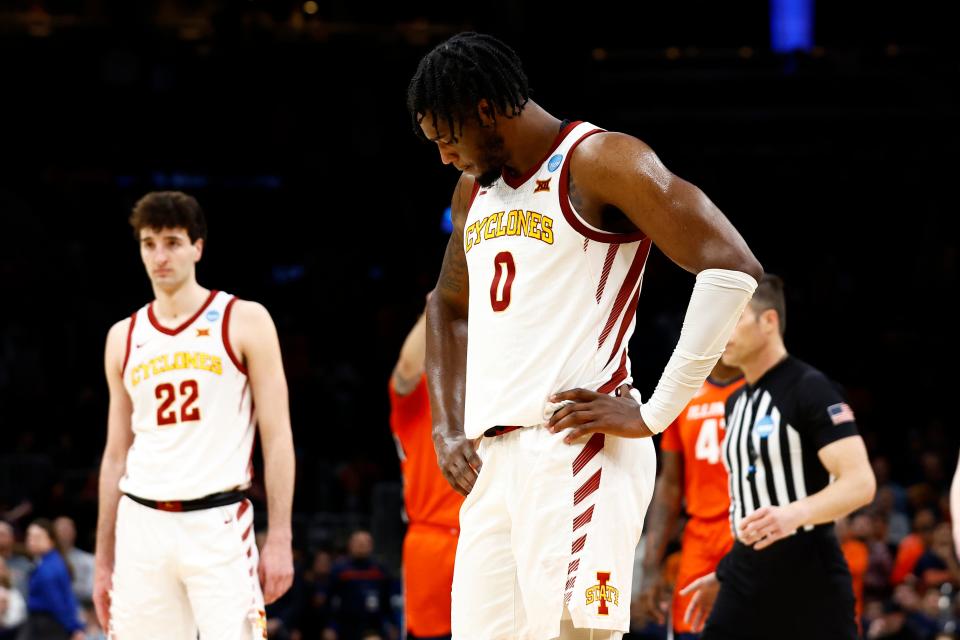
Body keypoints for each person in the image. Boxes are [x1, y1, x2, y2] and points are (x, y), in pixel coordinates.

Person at [407, 32, 762, 640]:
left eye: (447, 138)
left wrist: (656, 413)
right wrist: (445, 426)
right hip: (496, 459)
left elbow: (732, 267)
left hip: (577, 450)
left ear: (485, 111)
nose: (444, 157)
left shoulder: (601, 161)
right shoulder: (474, 192)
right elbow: (447, 306)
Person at [93, 191, 296, 639]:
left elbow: (278, 437)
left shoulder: (244, 319)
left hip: (218, 523)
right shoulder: (122, 337)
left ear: (197, 246)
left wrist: (279, 537)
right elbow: (114, 456)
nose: (160, 256)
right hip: (142, 525)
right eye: (149, 244)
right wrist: (103, 558)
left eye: (172, 242)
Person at [681, 275, 876, 640]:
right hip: (744, 574)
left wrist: (792, 514)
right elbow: (748, 503)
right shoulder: (736, 403)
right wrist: (726, 572)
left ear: (768, 321)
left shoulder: (809, 388)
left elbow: (860, 483)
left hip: (809, 575)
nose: (722, 332)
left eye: (734, 319)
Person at [637, 361, 745, 638]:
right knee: (688, 631)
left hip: (752, 535)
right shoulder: (684, 393)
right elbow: (670, 484)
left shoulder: (766, 390)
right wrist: (650, 568)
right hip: (700, 540)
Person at [389, 305, 463, 640]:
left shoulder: (493, 388)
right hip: (432, 543)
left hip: (489, 534)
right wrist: (436, 305)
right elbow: (405, 370)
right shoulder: (419, 397)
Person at [325, 530, 395, 640]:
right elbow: (329, 601)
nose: (361, 546)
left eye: (364, 543)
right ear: (350, 545)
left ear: (371, 545)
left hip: (373, 625)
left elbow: (387, 600)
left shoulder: (380, 569)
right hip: (346, 625)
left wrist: (391, 623)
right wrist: (330, 626)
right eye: (358, 542)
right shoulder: (339, 569)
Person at [23, 519, 84, 640]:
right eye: (29, 536)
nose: (31, 541)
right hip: (44, 623)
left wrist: (74, 627)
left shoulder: (50, 566)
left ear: (51, 540)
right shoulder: (46, 562)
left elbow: (58, 601)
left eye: (37, 537)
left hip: (49, 626)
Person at [51, 518, 93, 608]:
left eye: (68, 529)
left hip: (82, 608)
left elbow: (91, 591)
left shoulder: (88, 560)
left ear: (74, 532)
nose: (64, 534)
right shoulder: (42, 561)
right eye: (61, 530)